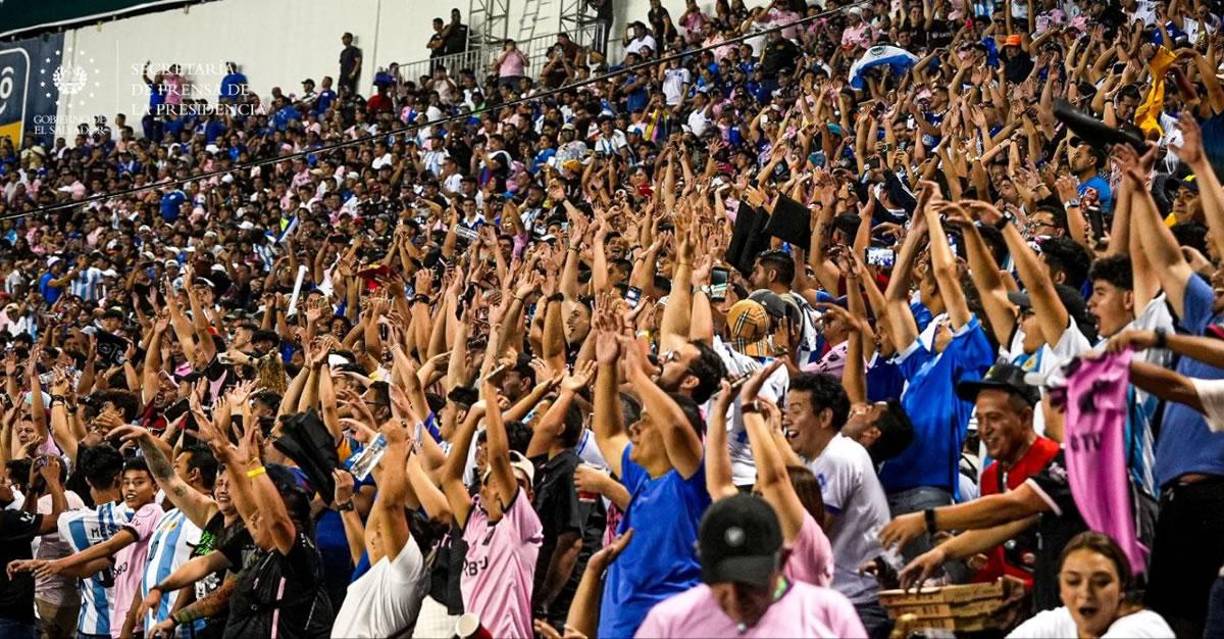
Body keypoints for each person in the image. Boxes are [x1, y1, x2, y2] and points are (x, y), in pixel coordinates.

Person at [635, 494, 866, 638]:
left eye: (751, 583)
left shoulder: (829, 613)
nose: (735, 598)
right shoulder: (669, 621)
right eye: (721, 582)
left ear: (783, 560)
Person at [1008, 532, 1175, 638]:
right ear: (1061, 591)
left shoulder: (1144, 628)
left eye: (1101, 582)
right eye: (1073, 582)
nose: (1086, 593)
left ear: (1121, 588)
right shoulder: (1055, 623)